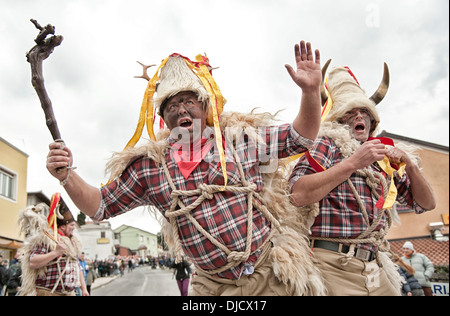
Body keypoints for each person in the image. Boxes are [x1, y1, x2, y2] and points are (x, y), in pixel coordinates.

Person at [46, 41, 326, 296]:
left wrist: (311, 91)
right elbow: (100, 206)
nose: (180, 109)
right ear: (163, 118)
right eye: (171, 105)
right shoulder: (150, 168)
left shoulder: (241, 139)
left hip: (269, 277)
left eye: (188, 101)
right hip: (210, 287)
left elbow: (299, 138)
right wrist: (67, 175)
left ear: (205, 108)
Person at [289, 61, 436, 296]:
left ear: (372, 121)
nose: (359, 115)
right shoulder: (325, 143)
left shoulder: (383, 155)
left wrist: (410, 166)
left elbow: (426, 204)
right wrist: (353, 163)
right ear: (339, 119)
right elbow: (297, 195)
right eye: (350, 112)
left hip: (375, 265)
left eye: (364, 111)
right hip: (331, 264)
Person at [18, 195, 89, 296]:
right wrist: (56, 252)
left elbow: (78, 268)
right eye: (72, 225)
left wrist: (84, 289)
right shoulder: (46, 239)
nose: (74, 228)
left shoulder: (73, 244)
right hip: (46, 293)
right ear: (63, 227)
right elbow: (33, 262)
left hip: (68, 293)